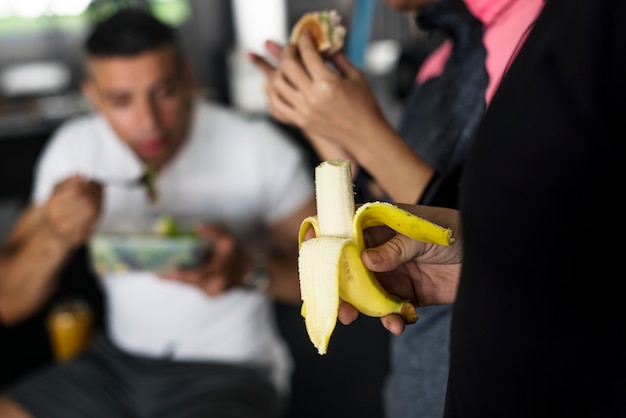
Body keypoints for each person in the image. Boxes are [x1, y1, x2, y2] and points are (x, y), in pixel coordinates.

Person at [0, 8, 316, 418]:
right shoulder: (74, 151)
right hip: (116, 364)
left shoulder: (257, 147)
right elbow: (9, 301)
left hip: (229, 372)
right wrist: (55, 235)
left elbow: (333, 280)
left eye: (163, 92)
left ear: (187, 78)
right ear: (93, 97)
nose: (148, 123)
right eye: (121, 101)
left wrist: (245, 269)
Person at [250, 0, 544, 416]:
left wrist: (364, 129)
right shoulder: (439, 63)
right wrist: (318, 119)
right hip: (417, 385)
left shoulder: (547, 46)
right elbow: (391, 205)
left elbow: (526, 246)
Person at [336, 0, 625, 415]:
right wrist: (330, 127)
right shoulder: (439, 64)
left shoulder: (554, 41)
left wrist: (364, 133)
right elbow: (520, 229)